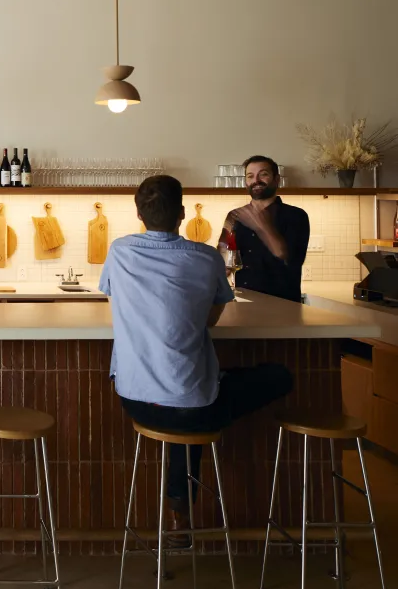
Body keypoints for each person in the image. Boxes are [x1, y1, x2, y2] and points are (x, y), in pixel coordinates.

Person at [100, 175, 292, 545]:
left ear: (139, 214)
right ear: (183, 213)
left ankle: (178, 517)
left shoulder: (119, 251)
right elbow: (210, 318)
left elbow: (115, 300)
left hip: (135, 399)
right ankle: (179, 515)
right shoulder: (205, 258)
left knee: (187, 401)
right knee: (276, 377)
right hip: (194, 404)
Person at [218, 155, 309, 302]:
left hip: (283, 304)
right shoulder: (234, 216)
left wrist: (261, 225)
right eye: (250, 176)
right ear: (246, 182)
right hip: (244, 302)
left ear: (276, 179)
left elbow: (290, 260)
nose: (256, 181)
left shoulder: (296, 216)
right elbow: (224, 259)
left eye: (263, 174)